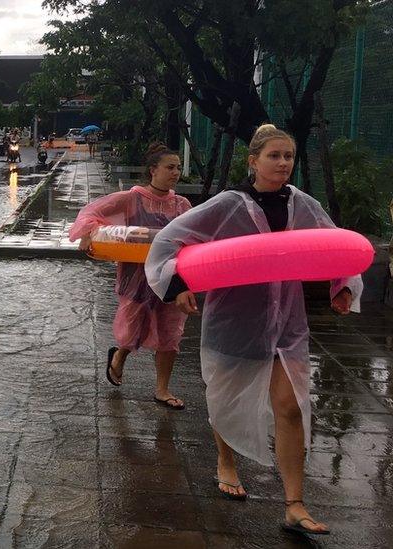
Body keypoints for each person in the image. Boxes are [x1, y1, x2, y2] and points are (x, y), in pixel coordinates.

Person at [145, 124, 362, 535]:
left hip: (287, 324)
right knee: (226, 398)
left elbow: (333, 244)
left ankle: (295, 504)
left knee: (291, 406)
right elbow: (169, 241)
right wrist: (178, 285)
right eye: (274, 156)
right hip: (235, 319)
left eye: (289, 157)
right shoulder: (229, 205)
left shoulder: (303, 204)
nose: (283, 164)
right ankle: (226, 461)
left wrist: (343, 287)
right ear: (253, 161)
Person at [68, 143, 191, 409]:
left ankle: (162, 389)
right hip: (137, 277)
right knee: (133, 328)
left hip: (171, 277)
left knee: (171, 333)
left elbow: (193, 234)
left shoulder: (181, 205)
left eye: (178, 168)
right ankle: (119, 355)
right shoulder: (131, 198)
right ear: (152, 170)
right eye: (169, 167)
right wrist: (89, 232)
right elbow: (92, 211)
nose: (175, 172)